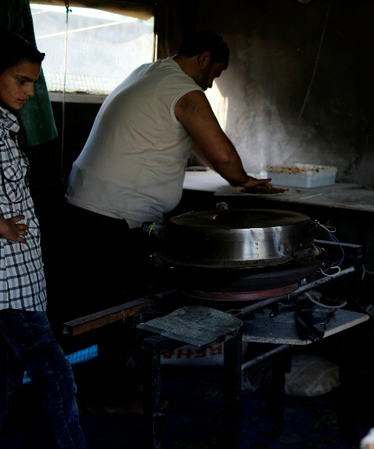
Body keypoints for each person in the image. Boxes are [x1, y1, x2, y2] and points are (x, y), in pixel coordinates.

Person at [61, 31, 270, 413]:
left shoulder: (148, 73)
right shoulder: (183, 90)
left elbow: (198, 143)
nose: (212, 82)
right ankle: (119, 396)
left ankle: (103, 388)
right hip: (113, 216)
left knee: (104, 306)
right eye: (216, 73)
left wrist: (232, 174)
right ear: (204, 59)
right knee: (122, 310)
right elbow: (221, 153)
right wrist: (244, 181)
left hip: (88, 206)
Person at [0, 30, 87, 448]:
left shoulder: (7, 127)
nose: (30, 92)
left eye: (33, 82)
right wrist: (1, 225)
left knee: (5, 382)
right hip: (8, 289)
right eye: (22, 80)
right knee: (57, 378)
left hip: (21, 282)